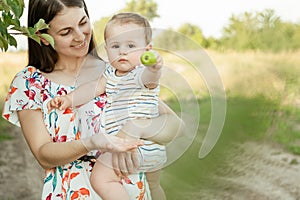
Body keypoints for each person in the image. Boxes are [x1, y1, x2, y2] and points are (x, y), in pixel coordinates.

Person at [1, 0, 184, 200]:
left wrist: (136, 127)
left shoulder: (117, 71)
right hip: (71, 193)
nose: (80, 36)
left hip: (133, 191)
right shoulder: (29, 84)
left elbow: (177, 127)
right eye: (66, 32)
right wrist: (91, 143)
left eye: (82, 23)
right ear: (43, 37)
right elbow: (44, 156)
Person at [47, 12, 167, 200]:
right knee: (153, 186)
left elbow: (150, 80)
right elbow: (92, 89)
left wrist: (154, 68)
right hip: (150, 149)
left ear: (147, 50)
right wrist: (69, 99)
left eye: (131, 46)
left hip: (135, 147)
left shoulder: (140, 74)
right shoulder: (111, 74)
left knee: (101, 178)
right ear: (107, 49)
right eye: (115, 46)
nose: (122, 51)